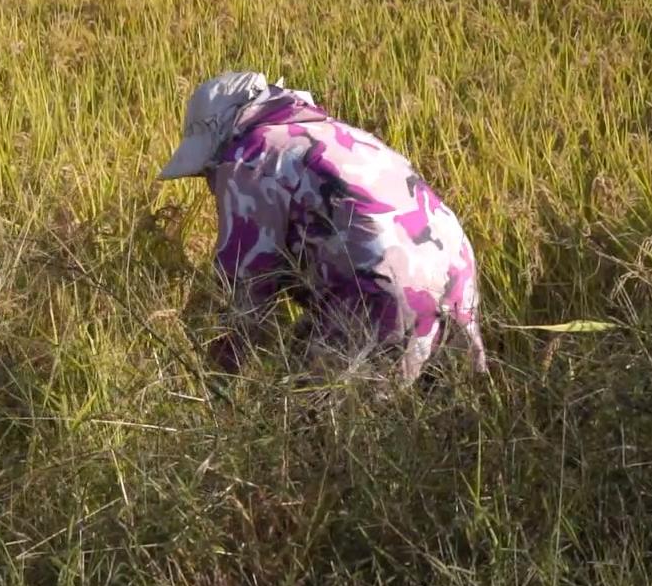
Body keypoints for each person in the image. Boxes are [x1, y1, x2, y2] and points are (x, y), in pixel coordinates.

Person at [158, 72, 486, 390]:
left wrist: (211, 382)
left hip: (382, 291)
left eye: (204, 173)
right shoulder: (338, 134)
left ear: (219, 140)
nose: (209, 184)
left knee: (317, 430)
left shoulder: (249, 157)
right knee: (451, 423)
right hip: (458, 278)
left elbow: (244, 295)